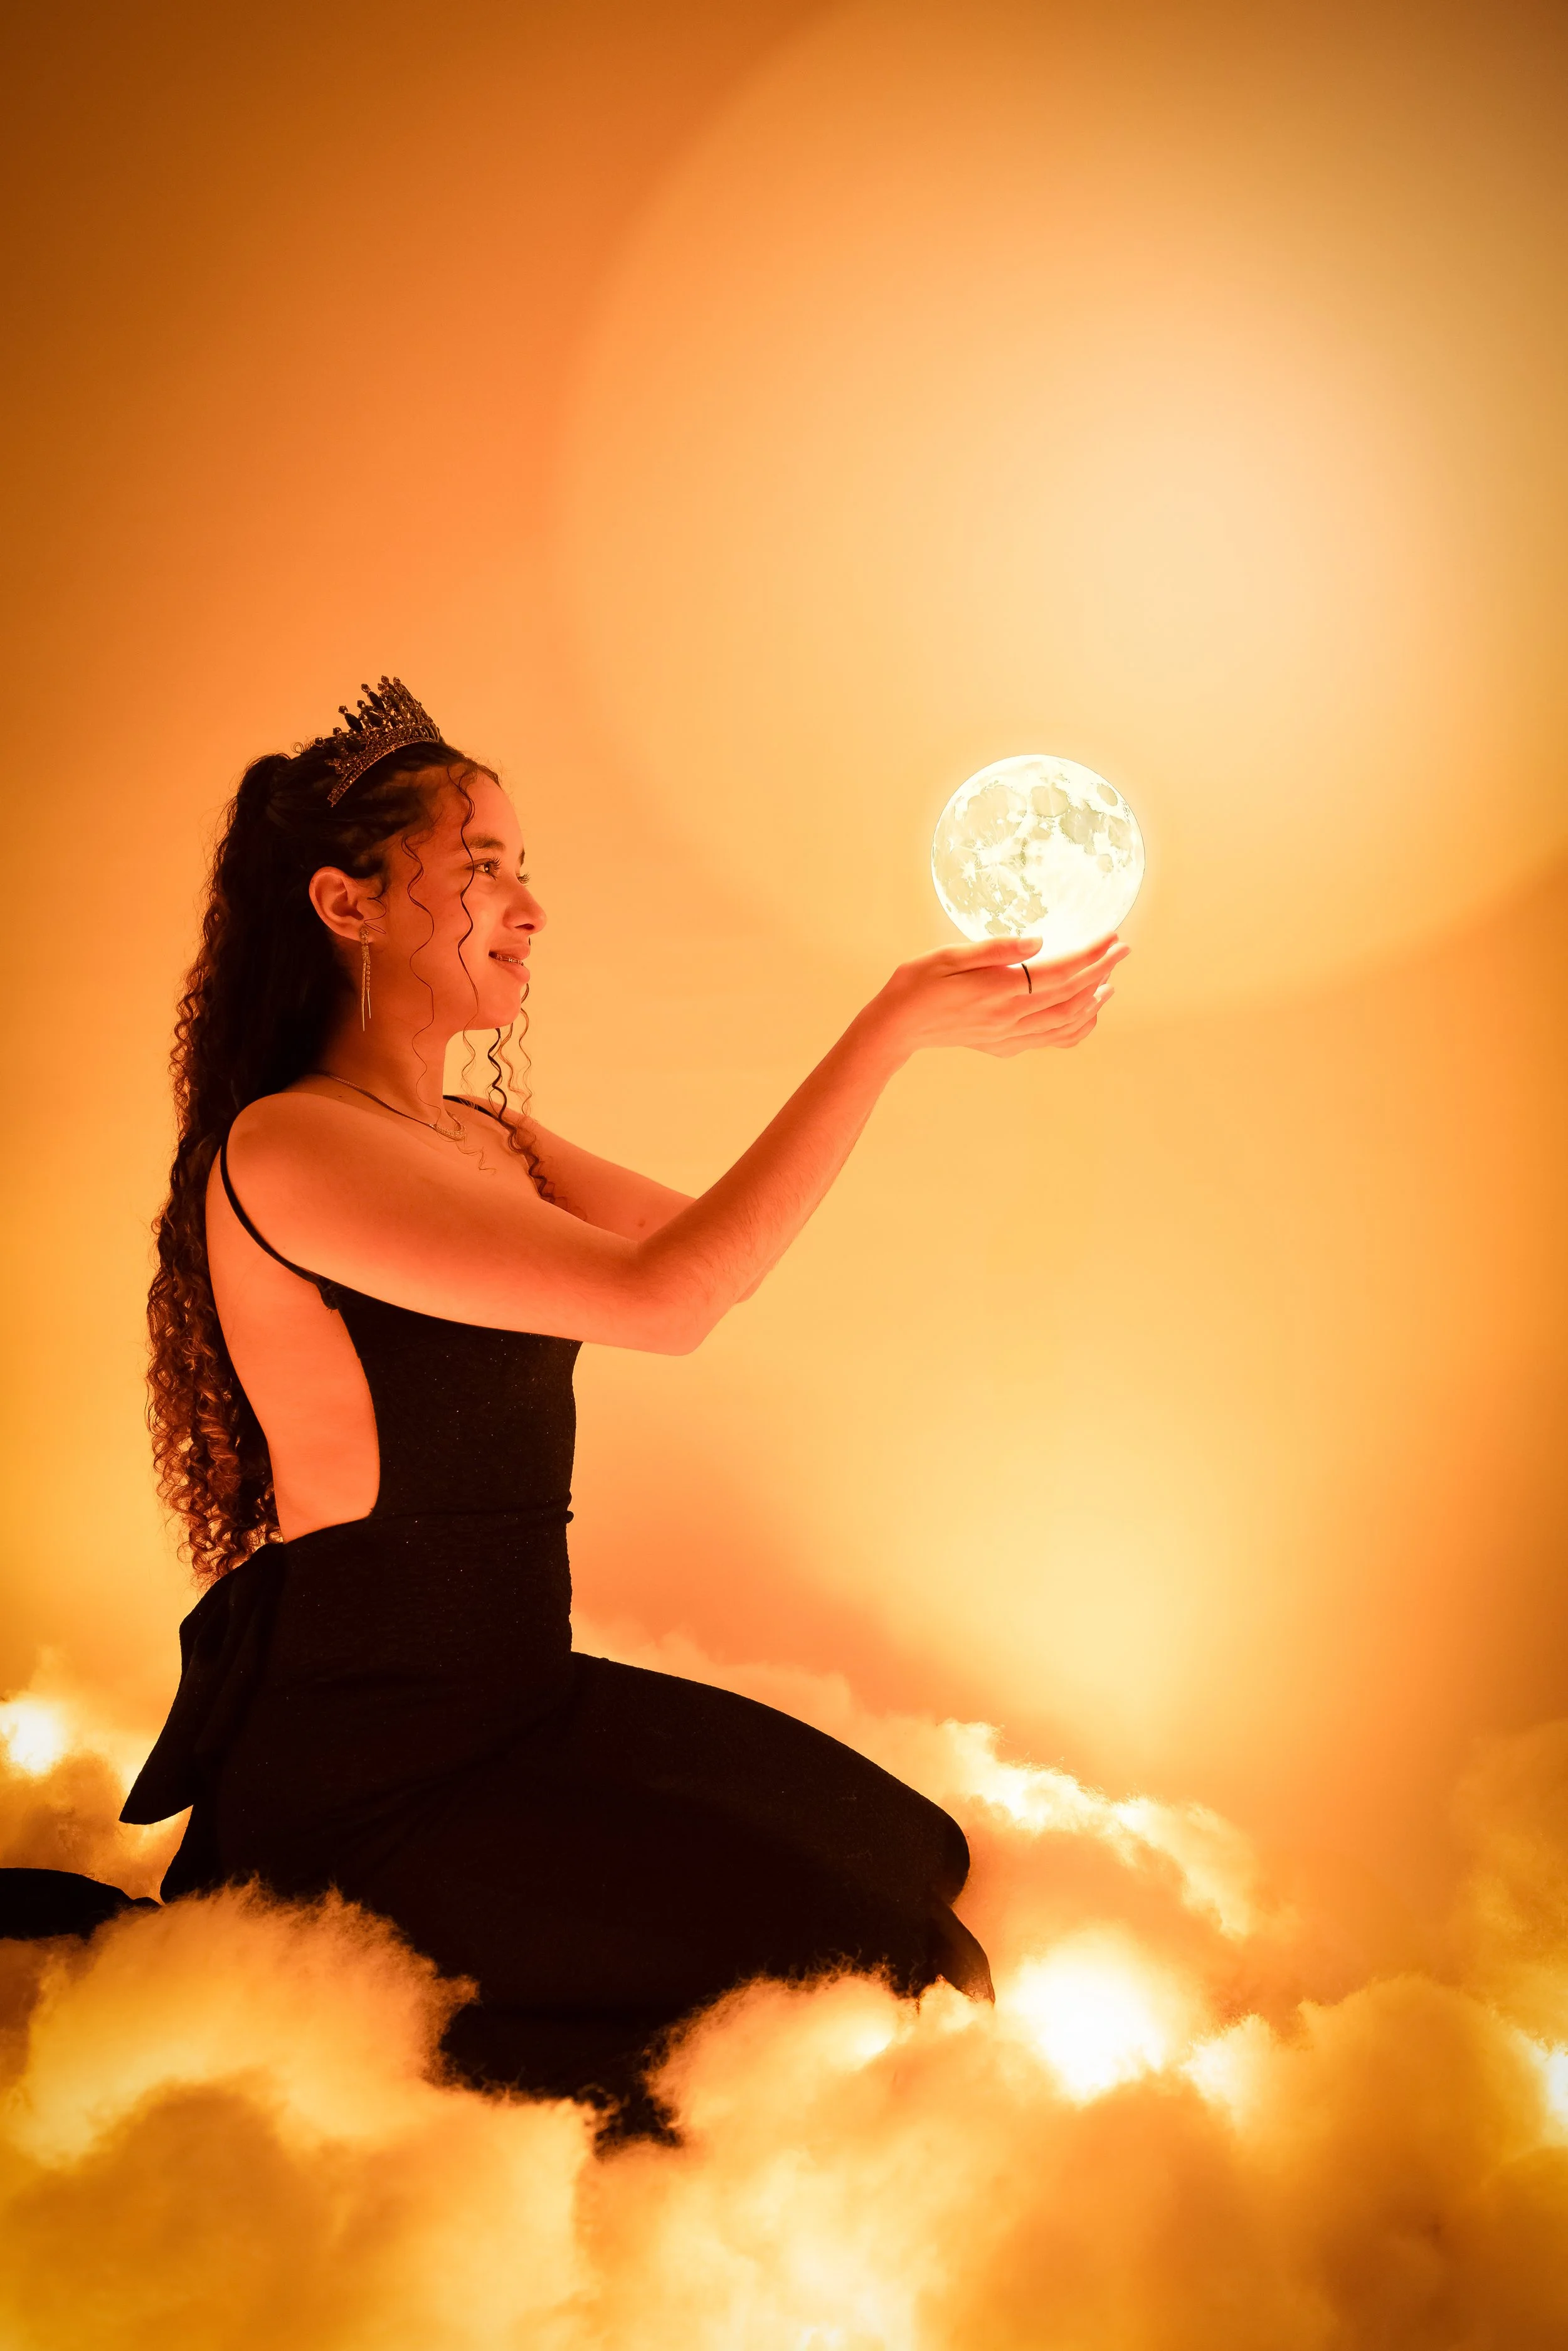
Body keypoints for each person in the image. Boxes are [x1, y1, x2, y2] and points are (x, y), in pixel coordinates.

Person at [7, 681, 1126, 2129]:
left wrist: (921, 1056)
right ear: (343, 906)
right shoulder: (289, 1147)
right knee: (884, 1976)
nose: (528, 908)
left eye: (526, 869)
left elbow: (719, 1254)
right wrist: (889, 1024)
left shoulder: (482, 1136)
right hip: (373, 1775)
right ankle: (345, 1996)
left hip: (520, 1703)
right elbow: (672, 1296)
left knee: (911, 1853)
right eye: (482, 871)